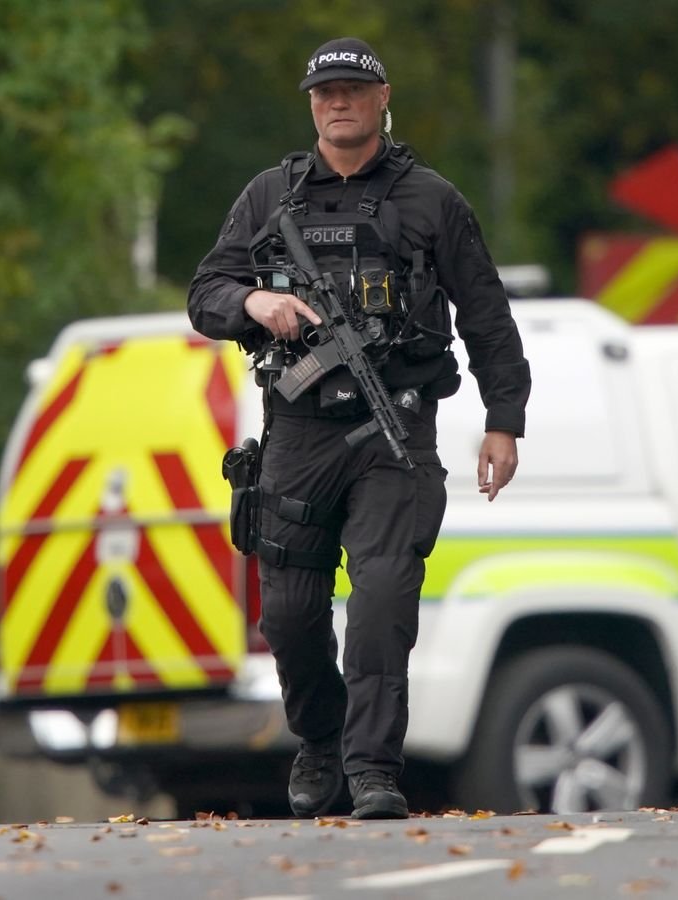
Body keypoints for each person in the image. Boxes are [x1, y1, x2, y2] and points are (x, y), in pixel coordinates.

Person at [188, 37, 531, 819]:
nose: (337, 102)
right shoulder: (269, 196)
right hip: (297, 437)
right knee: (290, 615)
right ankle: (319, 742)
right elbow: (206, 287)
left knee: (380, 602)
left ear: (382, 99)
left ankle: (373, 769)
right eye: (323, 92)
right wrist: (252, 304)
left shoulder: (432, 200)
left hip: (393, 433)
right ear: (311, 105)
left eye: (351, 89)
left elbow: (486, 317)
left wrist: (503, 421)